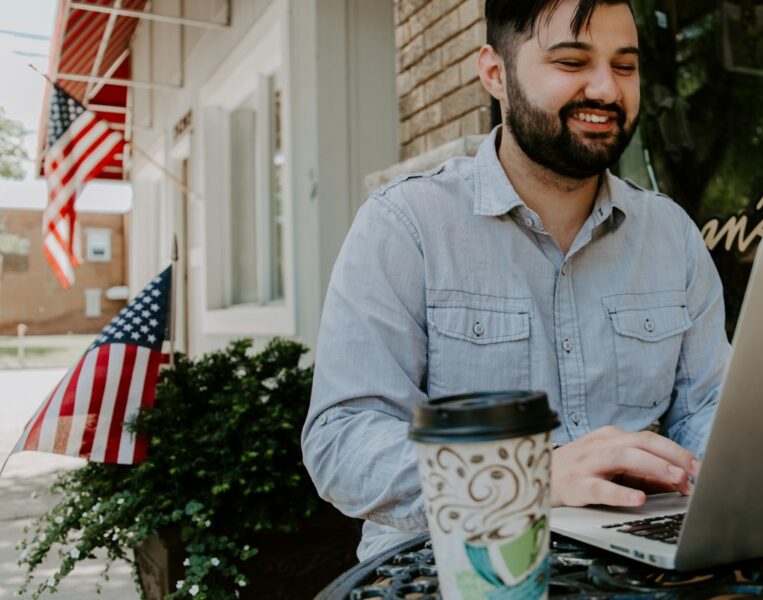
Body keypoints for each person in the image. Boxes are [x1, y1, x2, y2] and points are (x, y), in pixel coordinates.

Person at [301, 0, 731, 560]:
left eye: (625, 66)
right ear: (495, 73)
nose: (606, 89)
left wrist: (729, 468)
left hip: (639, 560)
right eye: (572, 62)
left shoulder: (671, 233)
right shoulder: (405, 225)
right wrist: (532, 477)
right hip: (454, 569)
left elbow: (706, 407)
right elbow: (344, 441)